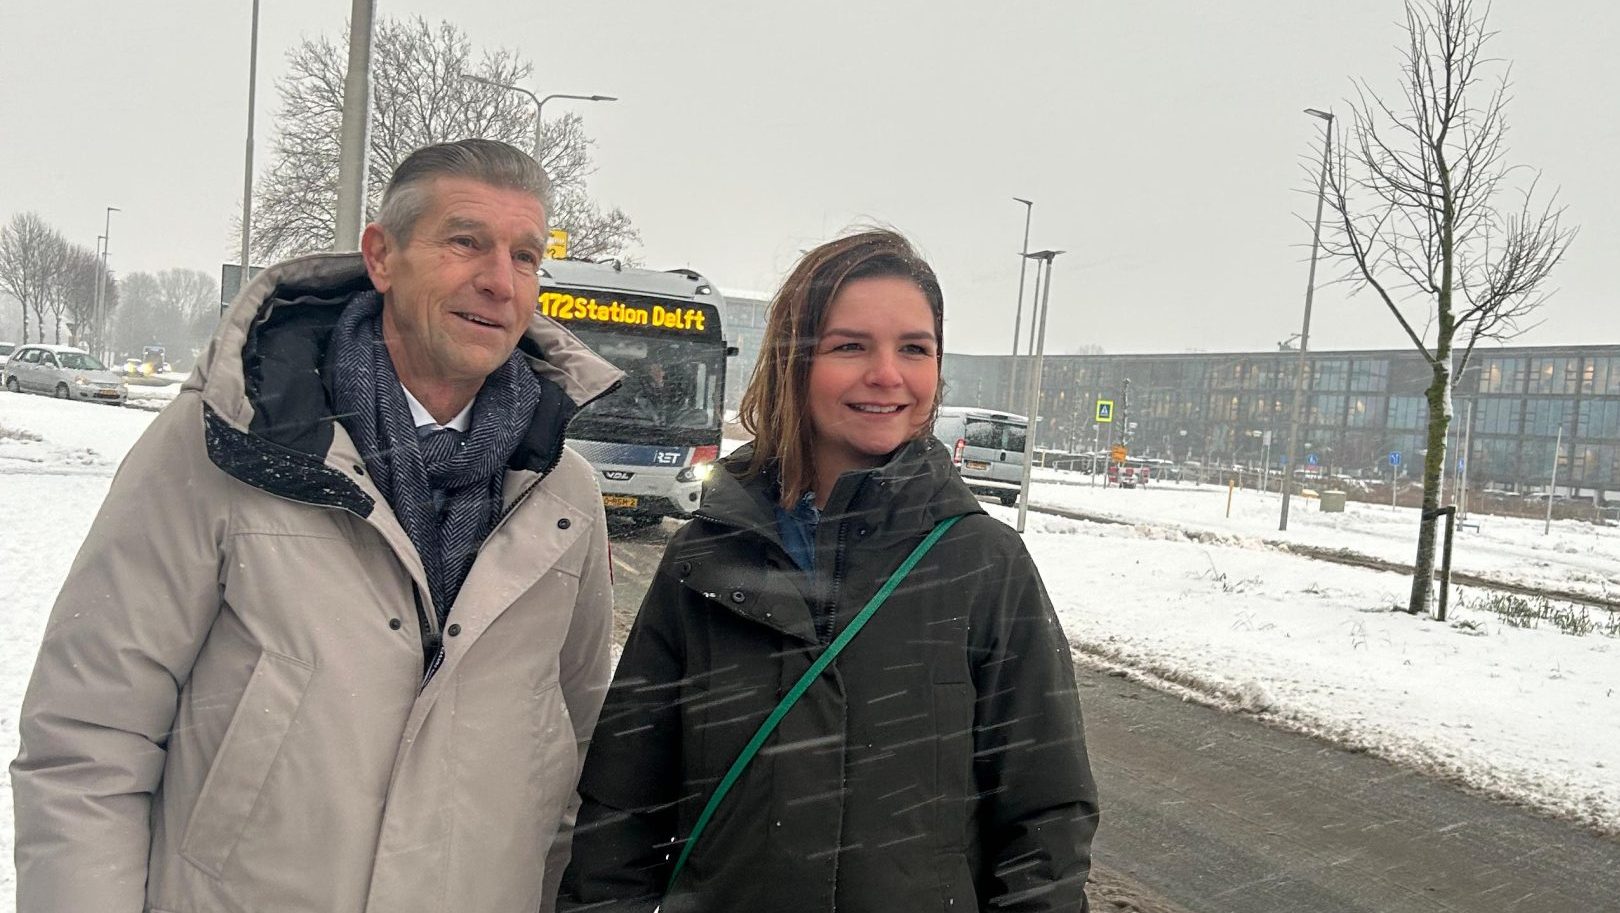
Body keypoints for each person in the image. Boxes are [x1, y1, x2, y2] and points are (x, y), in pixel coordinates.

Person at [12, 138, 623, 913]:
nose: (499, 280)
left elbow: (575, 757)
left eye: (526, 255)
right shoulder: (226, 443)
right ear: (382, 256)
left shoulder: (562, 494)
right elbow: (88, 742)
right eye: (465, 241)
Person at [559, 229, 1099, 912]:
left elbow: (1045, 823)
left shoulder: (984, 564)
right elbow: (621, 814)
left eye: (914, 347)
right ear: (796, 363)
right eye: (850, 345)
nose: (887, 373)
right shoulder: (705, 559)